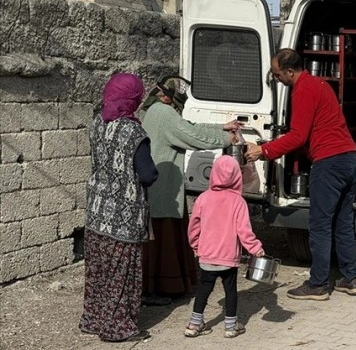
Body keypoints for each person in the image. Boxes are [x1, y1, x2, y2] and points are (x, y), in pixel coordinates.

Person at [245, 48, 356, 300]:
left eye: (277, 75)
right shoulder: (320, 84)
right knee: (342, 223)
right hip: (349, 159)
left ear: (290, 71)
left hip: (329, 162)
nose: (277, 79)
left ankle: (318, 283)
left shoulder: (304, 90)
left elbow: (299, 135)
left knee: (319, 224)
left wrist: (263, 150)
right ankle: (351, 278)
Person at [140, 75, 241, 305]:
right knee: (162, 241)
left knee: (162, 239)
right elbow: (192, 135)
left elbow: (187, 127)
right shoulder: (164, 114)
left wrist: (221, 126)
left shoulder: (157, 111)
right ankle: (158, 288)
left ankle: (159, 287)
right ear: (169, 97)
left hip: (160, 188)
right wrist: (227, 137)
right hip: (162, 190)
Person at [79, 72, 158, 342]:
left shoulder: (97, 123)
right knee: (120, 274)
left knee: (98, 270)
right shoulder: (134, 131)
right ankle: (117, 327)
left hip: (96, 212)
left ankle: (93, 319)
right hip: (122, 219)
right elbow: (147, 174)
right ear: (133, 99)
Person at [184, 155, 265, 339]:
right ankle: (230, 326)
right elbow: (244, 230)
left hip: (207, 256)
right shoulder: (238, 202)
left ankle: (194, 324)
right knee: (230, 290)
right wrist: (256, 249)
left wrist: (196, 245)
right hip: (228, 258)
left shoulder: (203, 198)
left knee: (204, 289)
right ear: (237, 176)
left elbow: (194, 226)